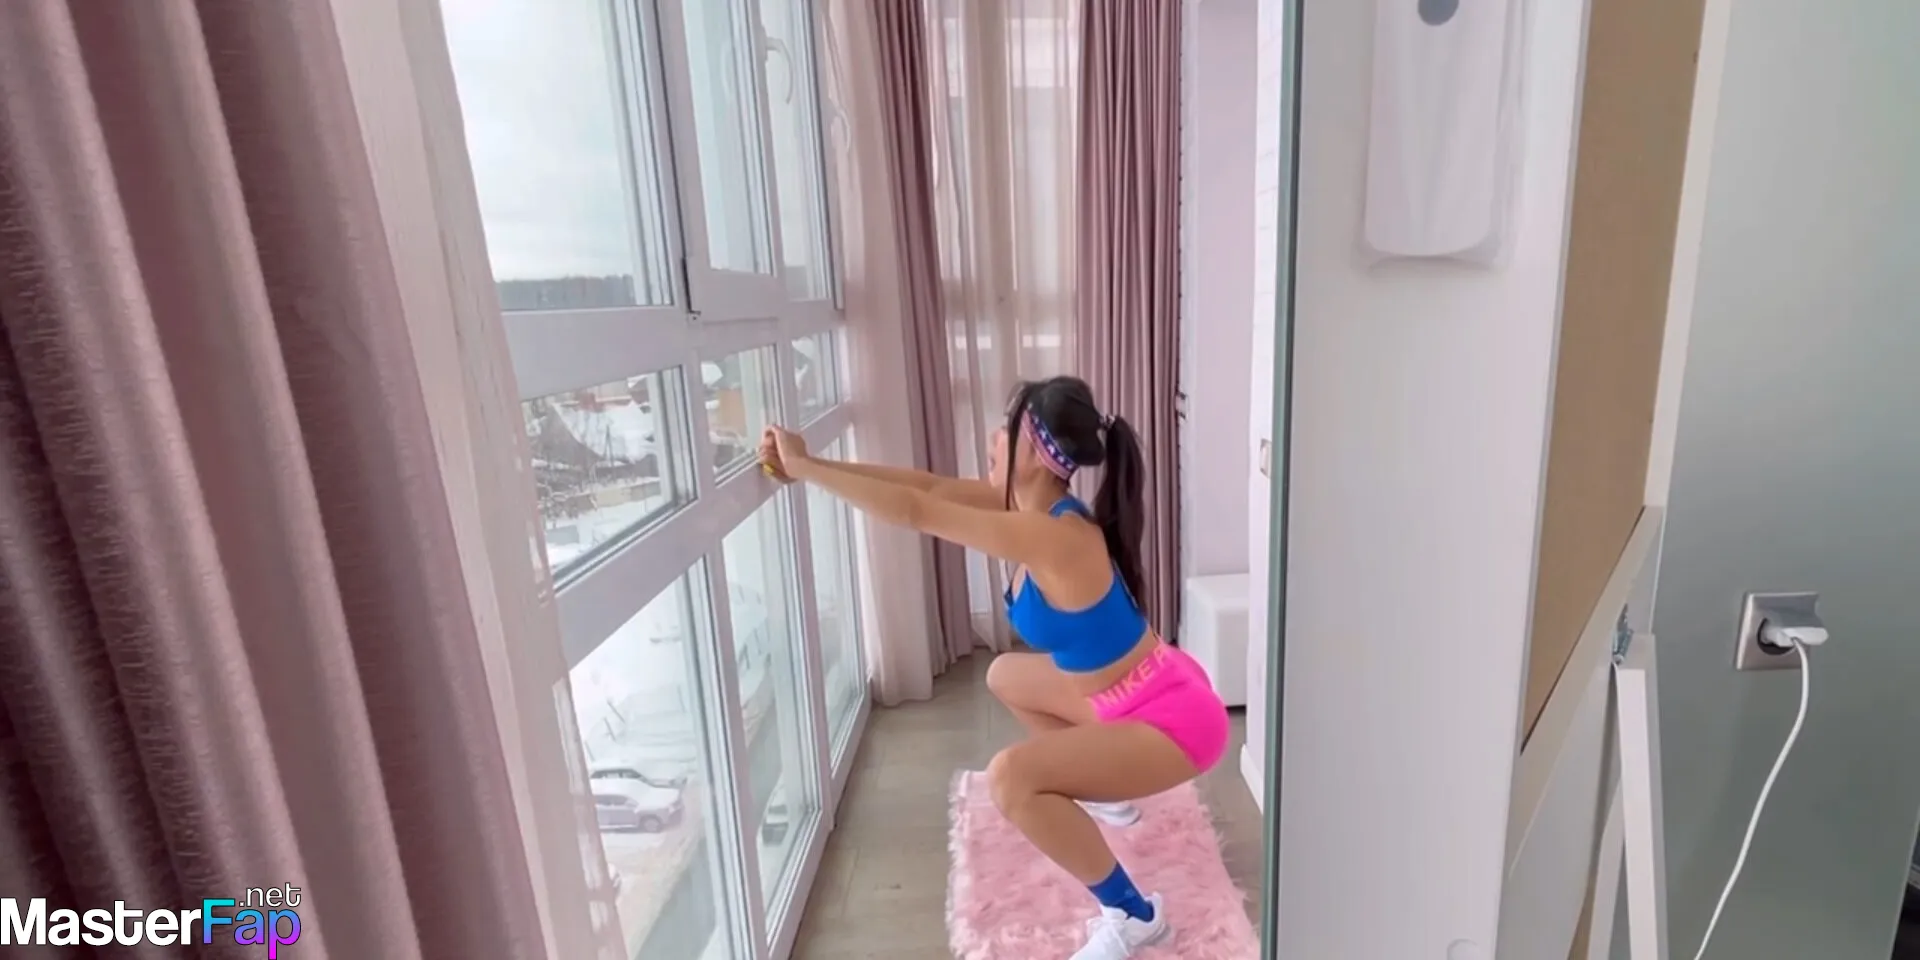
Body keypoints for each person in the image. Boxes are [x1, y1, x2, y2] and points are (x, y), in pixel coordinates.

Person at [758, 375, 1229, 959]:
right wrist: (813, 463)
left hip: (1173, 720)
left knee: (1012, 778)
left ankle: (1135, 916)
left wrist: (805, 470)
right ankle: (1104, 788)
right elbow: (927, 489)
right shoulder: (1029, 508)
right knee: (1004, 674)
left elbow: (915, 511)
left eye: (1004, 429)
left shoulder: (1055, 536)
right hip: (1132, 694)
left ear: (1032, 448)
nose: (991, 437)